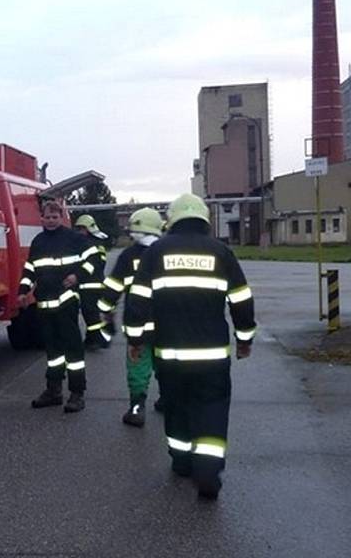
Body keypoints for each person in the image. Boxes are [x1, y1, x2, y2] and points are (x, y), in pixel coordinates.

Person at [124, 194, 256, 500]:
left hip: (170, 356)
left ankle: (182, 462)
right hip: (212, 358)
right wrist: (245, 338)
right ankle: (208, 472)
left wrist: (135, 339)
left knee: (176, 408)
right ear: (205, 219)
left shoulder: (157, 251)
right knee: (211, 408)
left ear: (172, 220)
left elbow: (138, 299)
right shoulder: (221, 252)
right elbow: (241, 298)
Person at [18, 200, 92, 412]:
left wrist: (77, 276)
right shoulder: (38, 241)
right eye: (47, 217)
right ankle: (54, 390)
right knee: (53, 352)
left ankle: (77, 394)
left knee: (73, 350)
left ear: (61, 217)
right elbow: (30, 269)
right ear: (41, 218)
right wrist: (22, 291)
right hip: (45, 305)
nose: (50, 221)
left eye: (54, 217)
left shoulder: (73, 238)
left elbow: (95, 259)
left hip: (66, 303)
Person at [97, 207, 164, 427]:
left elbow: (114, 286)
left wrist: (105, 309)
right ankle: (168, 400)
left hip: (138, 325)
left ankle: (137, 408)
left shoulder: (128, 256)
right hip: (168, 325)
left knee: (138, 366)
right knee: (166, 364)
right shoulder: (168, 253)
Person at [74, 214, 110, 349]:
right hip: (97, 283)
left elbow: (92, 265)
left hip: (88, 285)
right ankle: (90, 340)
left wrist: (77, 275)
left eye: (80, 229)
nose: (78, 232)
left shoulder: (87, 245)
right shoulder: (97, 243)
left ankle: (98, 338)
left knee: (89, 313)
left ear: (85, 229)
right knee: (92, 312)